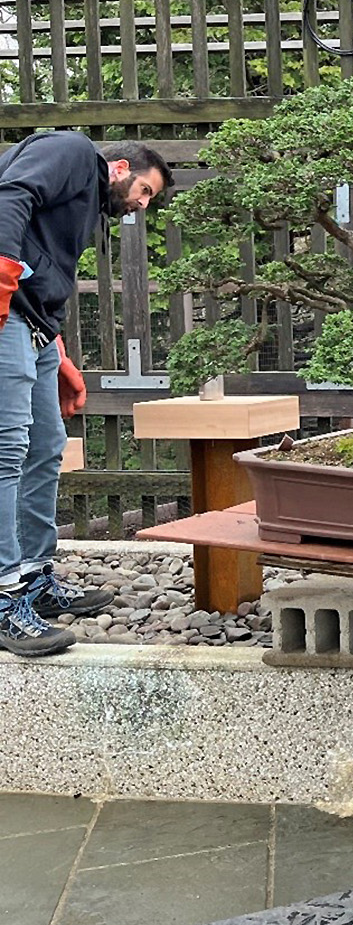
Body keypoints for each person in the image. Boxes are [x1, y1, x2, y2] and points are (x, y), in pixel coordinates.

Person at [0, 132, 170, 657]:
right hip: (5, 314)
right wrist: (1, 272)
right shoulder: (73, 152)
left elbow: (41, 269)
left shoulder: (85, 204)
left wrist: (57, 349)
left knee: (46, 446)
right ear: (120, 168)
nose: (142, 205)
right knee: (6, 449)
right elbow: (11, 194)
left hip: (31, 325)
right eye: (144, 191)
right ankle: (4, 600)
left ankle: (33, 577)